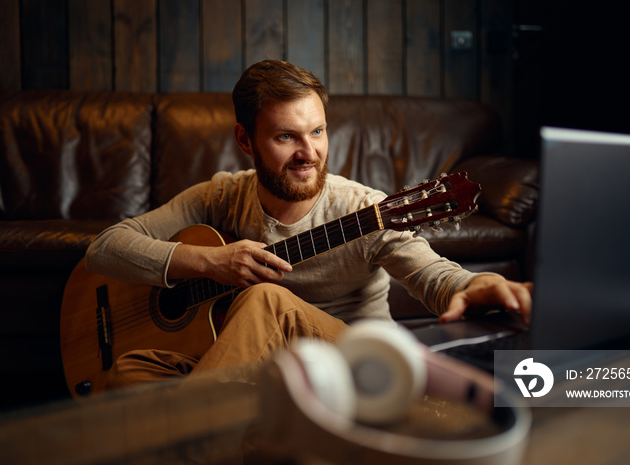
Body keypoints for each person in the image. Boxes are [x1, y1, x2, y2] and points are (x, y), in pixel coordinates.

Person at [85, 60, 532, 389]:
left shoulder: (367, 210)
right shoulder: (222, 195)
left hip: (351, 365)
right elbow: (105, 247)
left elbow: (433, 274)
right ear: (246, 140)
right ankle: (244, 433)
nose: (309, 153)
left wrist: (473, 285)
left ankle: (196, 441)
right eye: (286, 137)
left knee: (264, 300)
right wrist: (209, 262)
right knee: (129, 370)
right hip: (265, 371)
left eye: (317, 132)